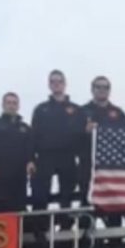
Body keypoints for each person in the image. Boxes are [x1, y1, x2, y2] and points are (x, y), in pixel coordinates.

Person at [31, 70, 85, 227]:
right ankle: (39, 228)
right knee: (40, 194)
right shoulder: (41, 109)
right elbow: (33, 135)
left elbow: (82, 136)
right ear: (49, 84)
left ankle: (66, 227)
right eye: (53, 81)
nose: (56, 84)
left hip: (67, 156)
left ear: (65, 84)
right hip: (45, 155)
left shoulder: (76, 110)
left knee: (67, 194)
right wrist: (31, 159)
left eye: (59, 81)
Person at [0, 92, 36, 213]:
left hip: (19, 174)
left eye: (14, 103)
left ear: (18, 106)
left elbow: (30, 149)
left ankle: (20, 231)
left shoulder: (25, 128)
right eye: (8, 103)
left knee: (19, 205)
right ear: (3, 105)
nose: (11, 106)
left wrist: (31, 162)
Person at [80, 76, 125, 202]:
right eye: (98, 87)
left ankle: (113, 222)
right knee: (86, 201)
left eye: (105, 87)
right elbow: (71, 138)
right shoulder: (81, 112)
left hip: (112, 166)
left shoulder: (119, 113)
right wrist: (85, 131)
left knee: (114, 204)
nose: (102, 90)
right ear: (92, 89)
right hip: (88, 164)